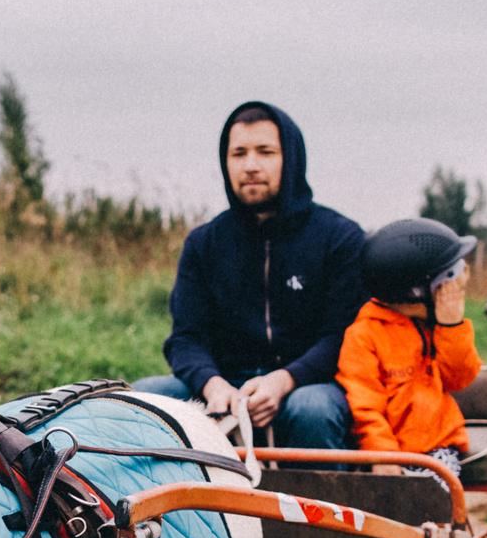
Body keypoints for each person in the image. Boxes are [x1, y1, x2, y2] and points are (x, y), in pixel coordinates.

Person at [134, 101, 366, 448]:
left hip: (307, 385)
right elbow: (186, 339)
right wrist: (212, 384)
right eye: (238, 154)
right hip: (224, 386)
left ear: (291, 158)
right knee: (144, 397)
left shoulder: (340, 238)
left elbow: (342, 337)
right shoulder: (203, 243)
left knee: (313, 409)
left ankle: (319, 503)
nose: (251, 166)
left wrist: (285, 380)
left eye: (266, 152)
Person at [338, 218, 487, 478]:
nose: (457, 286)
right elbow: (364, 404)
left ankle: (443, 520)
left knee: (431, 504)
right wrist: (382, 453)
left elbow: (459, 377)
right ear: (415, 291)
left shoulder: (439, 328)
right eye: (448, 281)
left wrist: (451, 326)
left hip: (437, 446)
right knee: (394, 509)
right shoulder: (364, 335)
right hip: (390, 452)